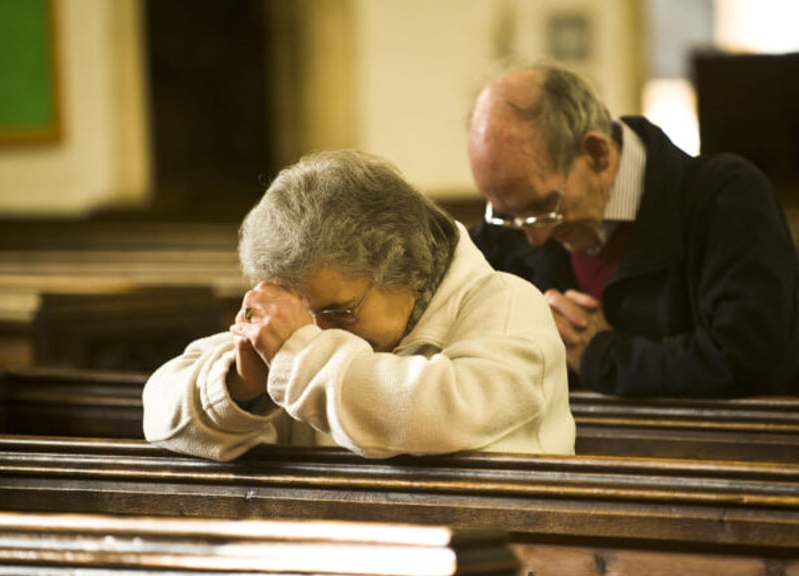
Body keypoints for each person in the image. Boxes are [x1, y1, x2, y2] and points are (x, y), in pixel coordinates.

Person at [143, 149, 575, 461]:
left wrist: (298, 352)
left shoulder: (510, 306)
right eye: (297, 313)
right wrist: (240, 386)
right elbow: (160, 414)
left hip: (509, 574)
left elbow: (440, 415)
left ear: (407, 268)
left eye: (338, 312)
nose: (316, 330)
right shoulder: (308, 330)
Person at [467, 60, 799, 397]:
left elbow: (748, 363)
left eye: (543, 208)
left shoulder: (727, 198)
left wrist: (601, 355)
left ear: (597, 154)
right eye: (505, 213)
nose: (533, 237)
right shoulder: (513, 222)